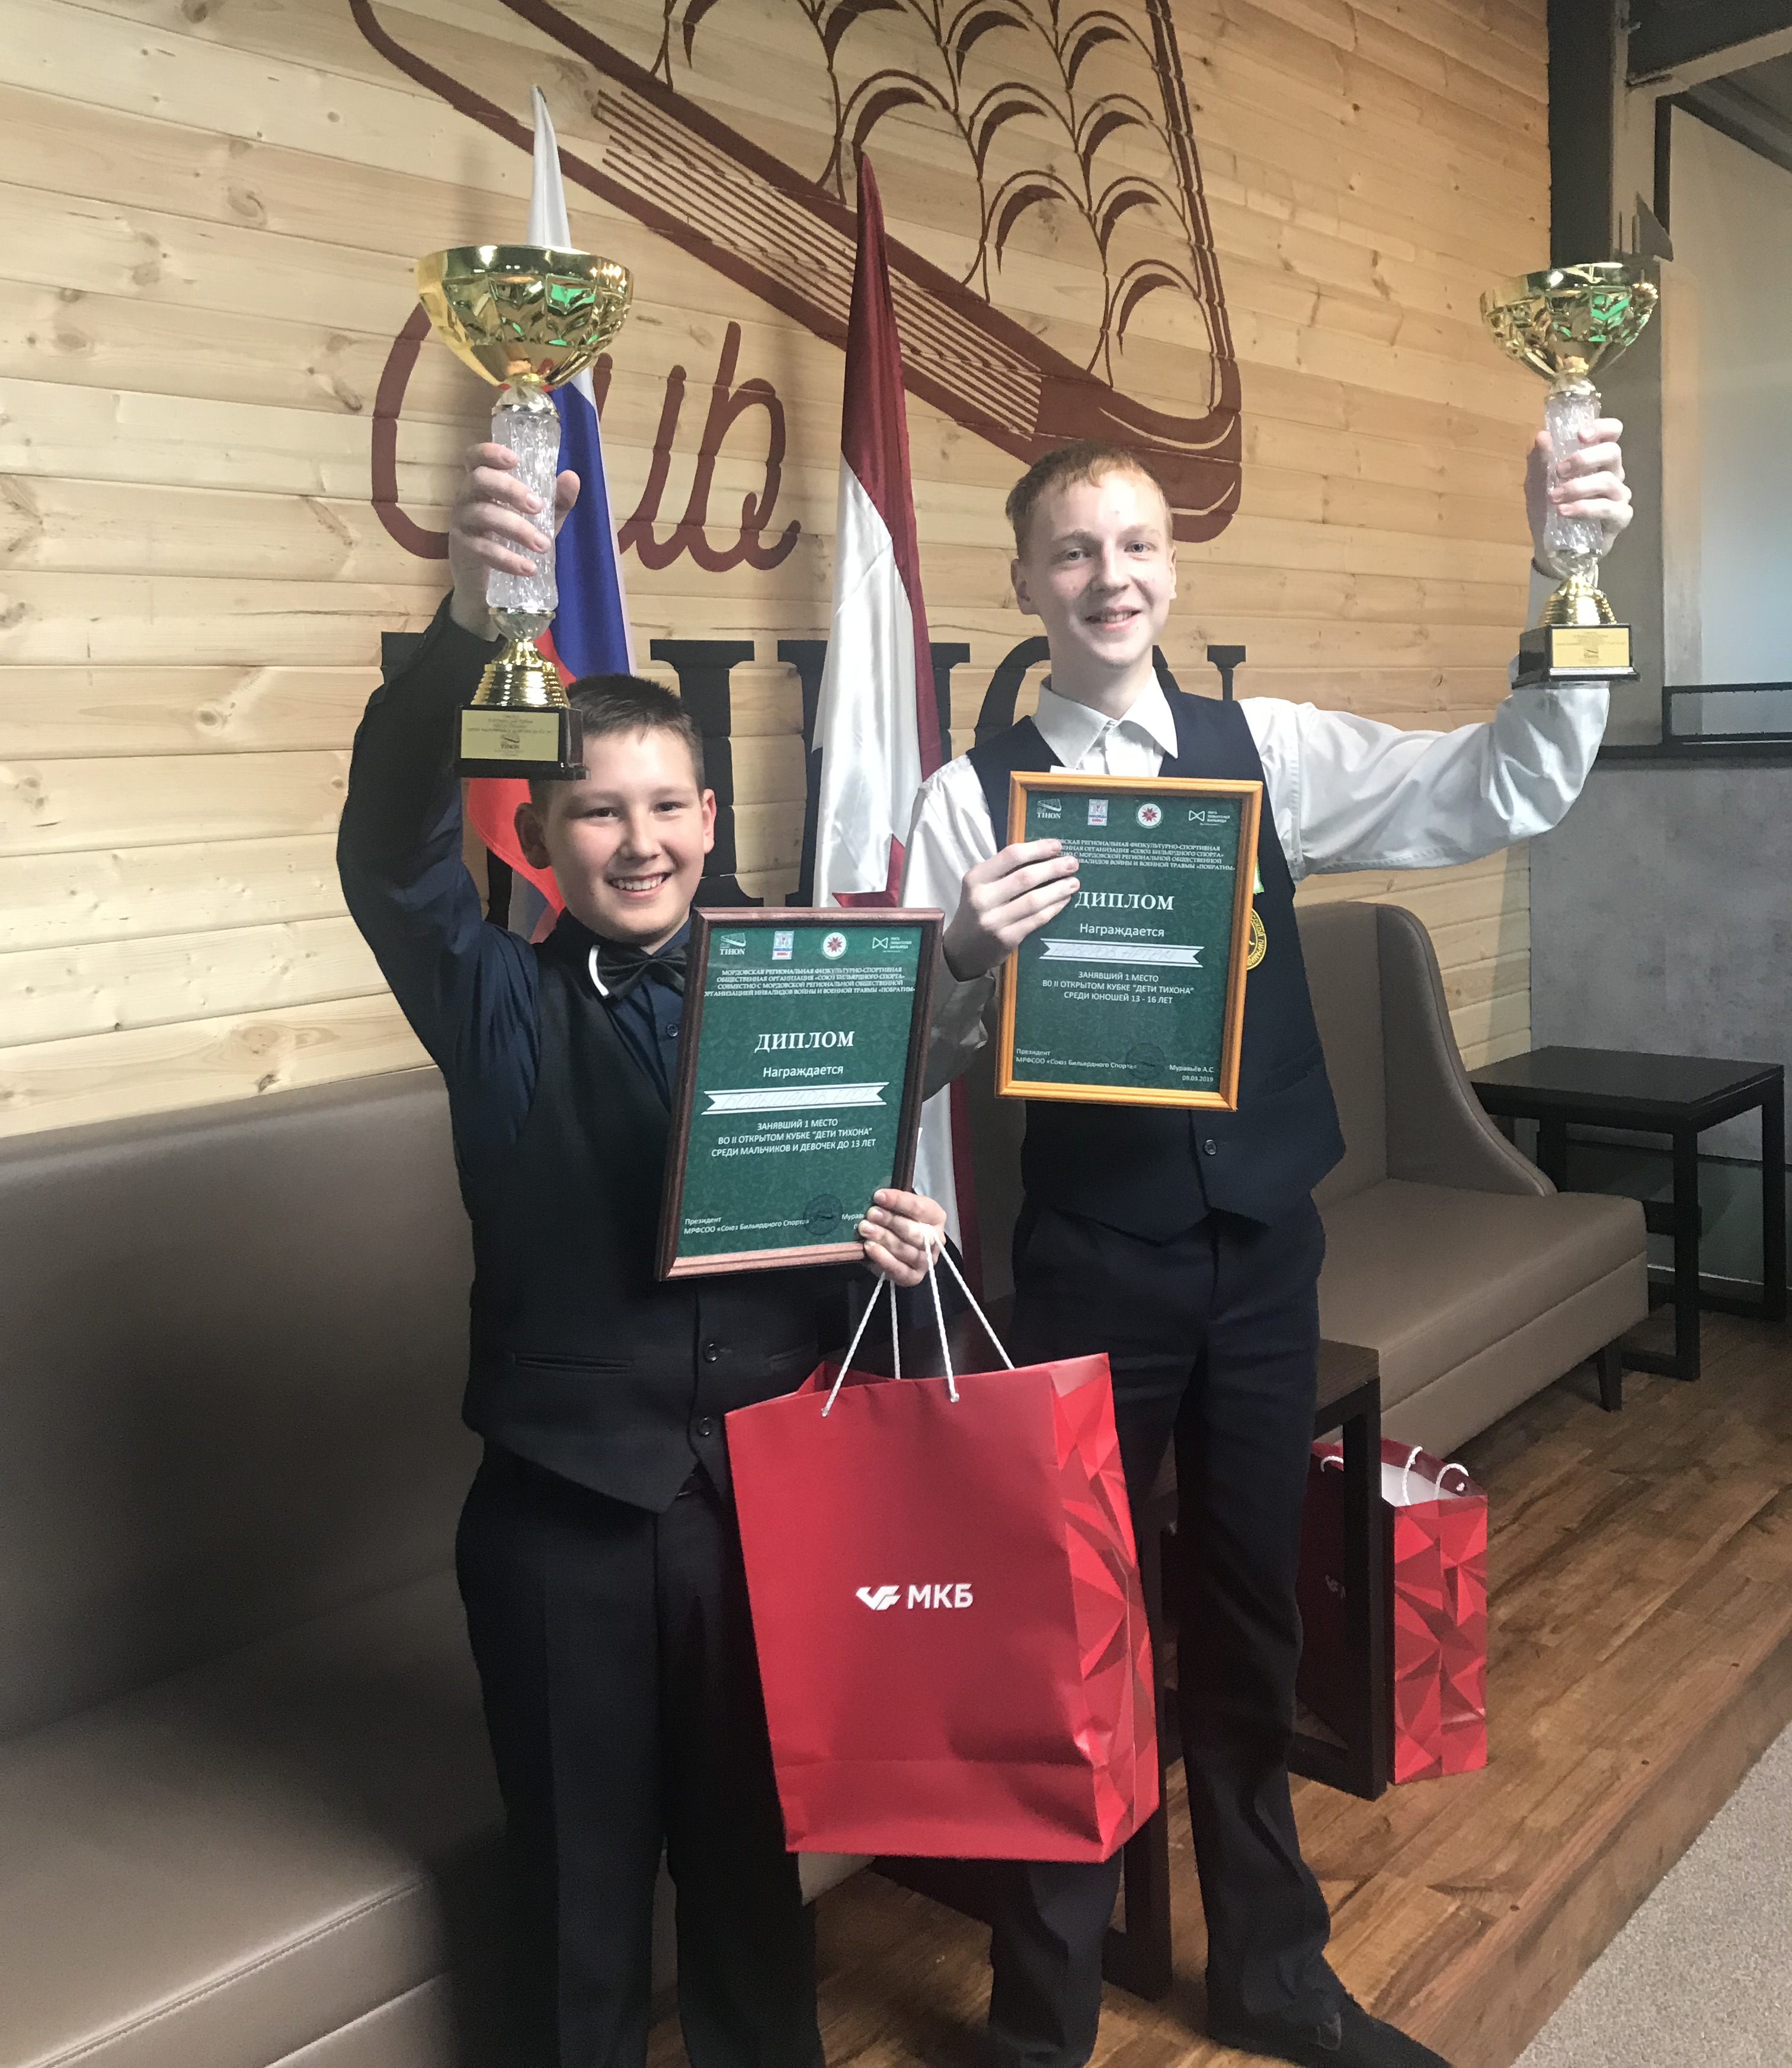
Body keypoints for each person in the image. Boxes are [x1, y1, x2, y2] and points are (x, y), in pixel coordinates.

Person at [898, 420, 1631, 2068]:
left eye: (1136, 545)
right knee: (1067, 1633)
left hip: (1261, 1259)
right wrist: (957, 954)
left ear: (1170, 570)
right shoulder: (965, 800)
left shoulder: (1270, 749)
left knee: (1251, 1617)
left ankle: (1273, 1977)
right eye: (1074, 552)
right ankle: (1041, 2021)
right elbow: (914, 1066)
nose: (1109, 578)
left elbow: (1507, 782)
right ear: (1024, 583)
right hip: (1092, 1263)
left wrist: (1566, 572)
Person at [338, 439, 946, 2068]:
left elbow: (825, 1229)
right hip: (564, 1530)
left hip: (766, 1509)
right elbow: (385, 854)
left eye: (667, 804)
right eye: (598, 810)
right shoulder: (491, 1002)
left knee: (754, 1888)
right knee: (578, 1912)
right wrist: (469, 628)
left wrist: (887, 1242)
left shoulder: (802, 985)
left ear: (709, 815)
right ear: (542, 837)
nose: (640, 839)